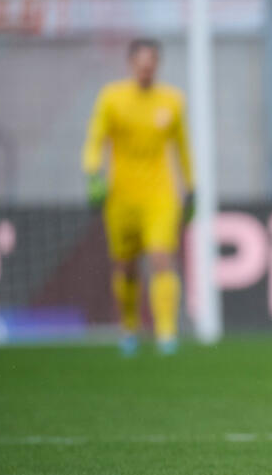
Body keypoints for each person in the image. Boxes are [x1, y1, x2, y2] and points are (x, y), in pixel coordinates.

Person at [82, 39, 194, 356]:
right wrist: (92, 173)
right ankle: (129, 327)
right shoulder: (112, 98)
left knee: (161, 258)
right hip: (121, 197)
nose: (147, 70)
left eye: (152, 64)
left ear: (157, 65)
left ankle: (166, 333)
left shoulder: (172, 101)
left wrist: (192, 186)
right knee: (126, 266)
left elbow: (183, 148)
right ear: (131, 64)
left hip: (161, 194)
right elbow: (95, 139)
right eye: (142, 64)